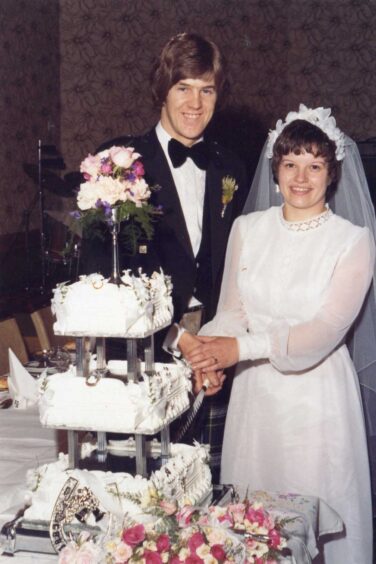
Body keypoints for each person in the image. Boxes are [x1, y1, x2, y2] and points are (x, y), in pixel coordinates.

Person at [184, 105, 376, 563]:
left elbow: (322, 333)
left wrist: (238, 349)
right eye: (291, 163)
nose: (302, 177)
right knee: (252, 526)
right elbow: (232, 310)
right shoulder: (247, 229)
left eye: (315, 165)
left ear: (333, 173)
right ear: (275, 169)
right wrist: (209, 355)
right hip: (256, 403)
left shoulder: (353, 241)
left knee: (315, 518)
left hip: (318, 404)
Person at [82, 33, 250, 482]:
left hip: (211, 366)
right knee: (141, 506)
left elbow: (235, 270)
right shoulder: (117, 165)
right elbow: (102, 280)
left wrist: (214, 350)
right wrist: (180, 342)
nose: (195, 103)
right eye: (183, 87)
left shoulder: (230, 166)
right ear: (162, 90)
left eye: (207, 89)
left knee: (204, 506)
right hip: (143, 362)